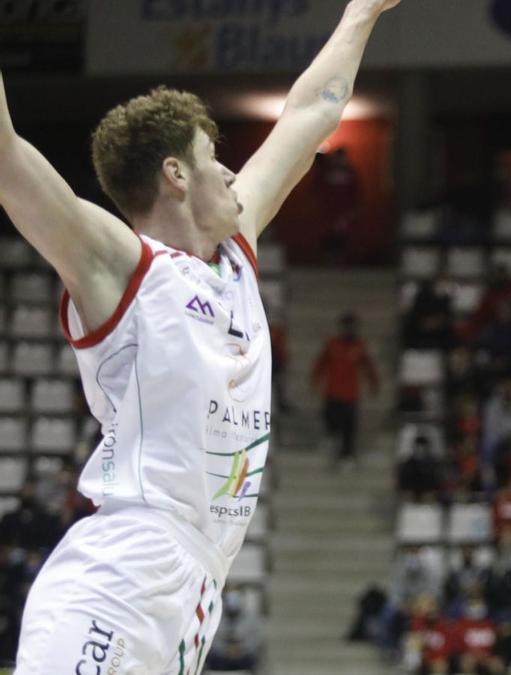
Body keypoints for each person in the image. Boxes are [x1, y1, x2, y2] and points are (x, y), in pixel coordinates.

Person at [0, 1, 404, 671]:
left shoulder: (237, 252)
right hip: (123, 571)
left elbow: (311, 115)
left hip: (195, 589)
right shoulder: (123, 267)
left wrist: (362, 12)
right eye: (212, 158)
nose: (228, 172)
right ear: (176, 174)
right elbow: (10, 164)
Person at [311, 311, 380, 467]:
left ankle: (346, 456)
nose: (349, 329)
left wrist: (374, 384)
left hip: (351, 394)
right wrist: (315, 381)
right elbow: (320, 363)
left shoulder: (360, 346)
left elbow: (369, 367)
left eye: (352, 326)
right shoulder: (332, 344)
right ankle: (331, 442)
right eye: (347, 326)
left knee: (350, 427)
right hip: (333, 392)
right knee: (331, 419)